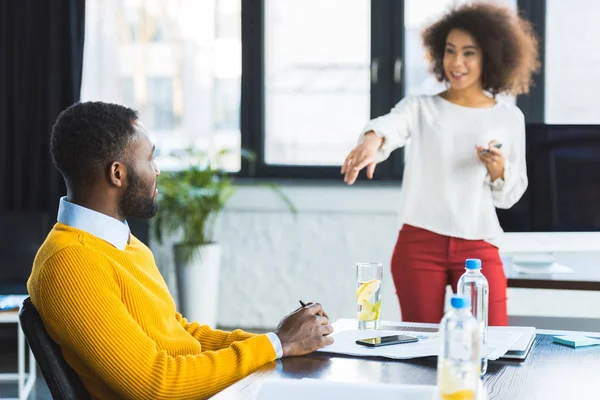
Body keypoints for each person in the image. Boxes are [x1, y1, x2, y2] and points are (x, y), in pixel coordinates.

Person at [28, 101, 334, 400]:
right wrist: (277, 344)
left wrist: (285, 340)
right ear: (117, 174)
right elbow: (157, 384)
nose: (157, 170)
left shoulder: (122, 244)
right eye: (150, 158)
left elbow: (181, 334)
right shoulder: (70, 262)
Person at [341, 2, 539, 326]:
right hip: (419, 244)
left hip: (479, 243)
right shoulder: (421, 108)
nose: (456, 62)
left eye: (469, 53)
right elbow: (392, 124)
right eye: (449, 51)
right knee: (420, 351)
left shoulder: (508, 117)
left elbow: (509, 196)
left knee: (492, 343)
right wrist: (372, 139)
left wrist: (498, 169)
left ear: (489, 56)